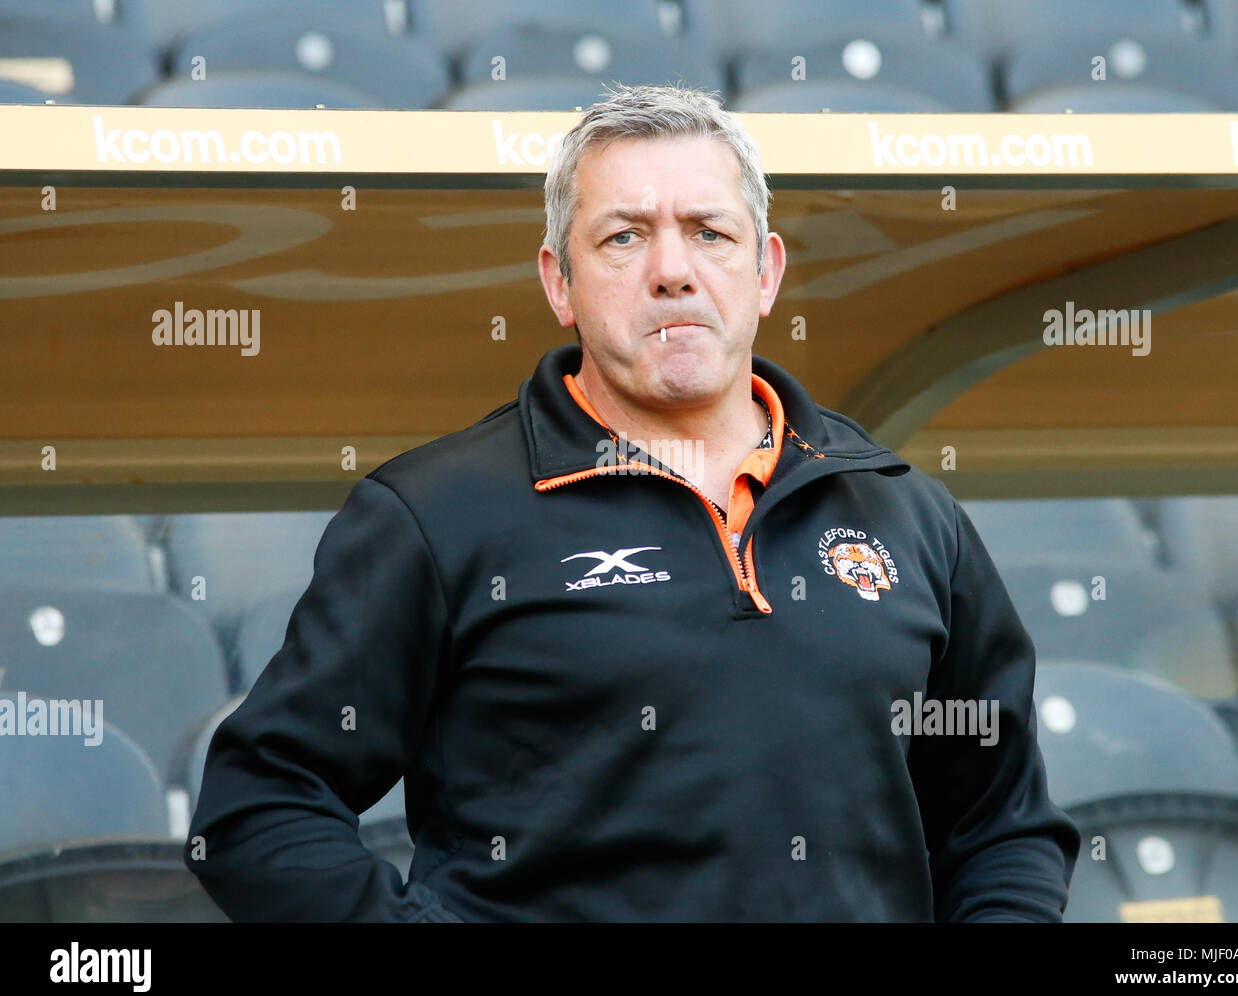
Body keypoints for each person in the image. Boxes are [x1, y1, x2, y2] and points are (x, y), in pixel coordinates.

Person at [185, 82, 1080, 922]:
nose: (672, 271)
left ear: (765, 273)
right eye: (623, 237)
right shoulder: (434, 516)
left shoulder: (906, 511)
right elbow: (258, 808)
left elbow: (1001, 830)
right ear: (558, 283)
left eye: (709, 233)